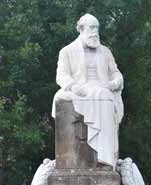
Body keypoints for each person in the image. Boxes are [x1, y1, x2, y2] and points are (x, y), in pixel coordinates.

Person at [52, 14, 124, 168]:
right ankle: (103, 155)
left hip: (101, 88)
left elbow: (115, 72)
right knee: (102, 97)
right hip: (77, 89)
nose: (95, 32)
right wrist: (74, 86)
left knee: (104, 95)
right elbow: (61, 76)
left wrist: (116, 81)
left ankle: (105, 156)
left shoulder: (105, 52)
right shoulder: (67, 51)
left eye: (97, 28)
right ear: (81, 29)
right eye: (91, 27)